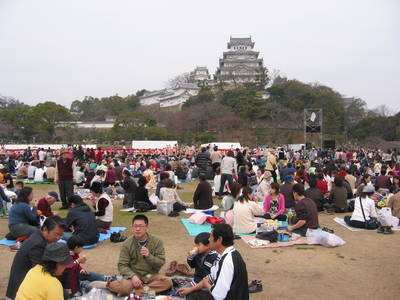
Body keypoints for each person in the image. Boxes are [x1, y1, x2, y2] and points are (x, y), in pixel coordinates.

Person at [178, 223, 249, 300]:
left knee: (193, 297)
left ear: (219, 240)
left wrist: (206, 284)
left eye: (211, 237)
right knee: (192, 294)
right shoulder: (225, 254)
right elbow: (210, 278)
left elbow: (219, 296)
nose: (209, 239)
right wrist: (190, 289)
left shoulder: (227, 261)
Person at [6, 216, 66, 299]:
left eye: (61, 235)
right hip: (20, 290)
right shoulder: (38, 244)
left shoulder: (39, 236)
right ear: (45, 229)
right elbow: (44, 272)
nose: (58, 238)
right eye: (56, 234)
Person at [111, 214, 172, 296]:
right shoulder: (127, 243)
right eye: (135, 226)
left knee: (168, 282)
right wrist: (133, 276)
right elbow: (122, 265)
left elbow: (161, 262)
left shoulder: (157, 242)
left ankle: (136, 291)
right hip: (133, 274)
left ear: (147, 227)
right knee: (124, 288)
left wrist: (149, 256)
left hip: (149, 275)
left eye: (141, 226)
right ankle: (110, 283)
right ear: (132, 227)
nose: (137, 229)